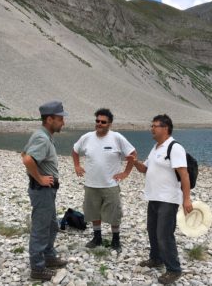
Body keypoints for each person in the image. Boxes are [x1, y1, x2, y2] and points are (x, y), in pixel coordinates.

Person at [127, 114, 193, 285]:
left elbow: (184, 175)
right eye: (152, 125)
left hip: (168, 199)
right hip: (154, 197)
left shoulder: (174, 147)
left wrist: (187, 199)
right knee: (152, 230)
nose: (152, 129)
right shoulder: (156, 147)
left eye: (155, 126)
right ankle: (156, 258)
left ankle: (174, 269)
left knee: (164, 235)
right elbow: (145, 169)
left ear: (166, 128)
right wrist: (135, 162)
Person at [72, 108, 136, 251]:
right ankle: (97, 237)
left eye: (103, 122)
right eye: (97, 121)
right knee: (93, 211)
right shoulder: (87, 137)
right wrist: (77, 166)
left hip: (110, 184)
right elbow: (75, 150)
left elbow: (133, 154)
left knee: (114, 213)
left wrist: (125, 172)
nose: (99, 124)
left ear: (110, 124)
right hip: (91, 184)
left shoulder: (117, 138)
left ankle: (115, 239)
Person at [22, 101, 68, 281]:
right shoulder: (42, 137)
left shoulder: (41, 135)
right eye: (60, 119)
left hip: (45, 191)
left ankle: (49, 256)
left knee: (52, 225)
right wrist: (40, 178)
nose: (63, 122)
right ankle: (37, 269)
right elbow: (27, 159)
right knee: (41, 229)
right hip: (42, 191)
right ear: (49, 119)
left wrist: (39, 175)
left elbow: (23, 153)